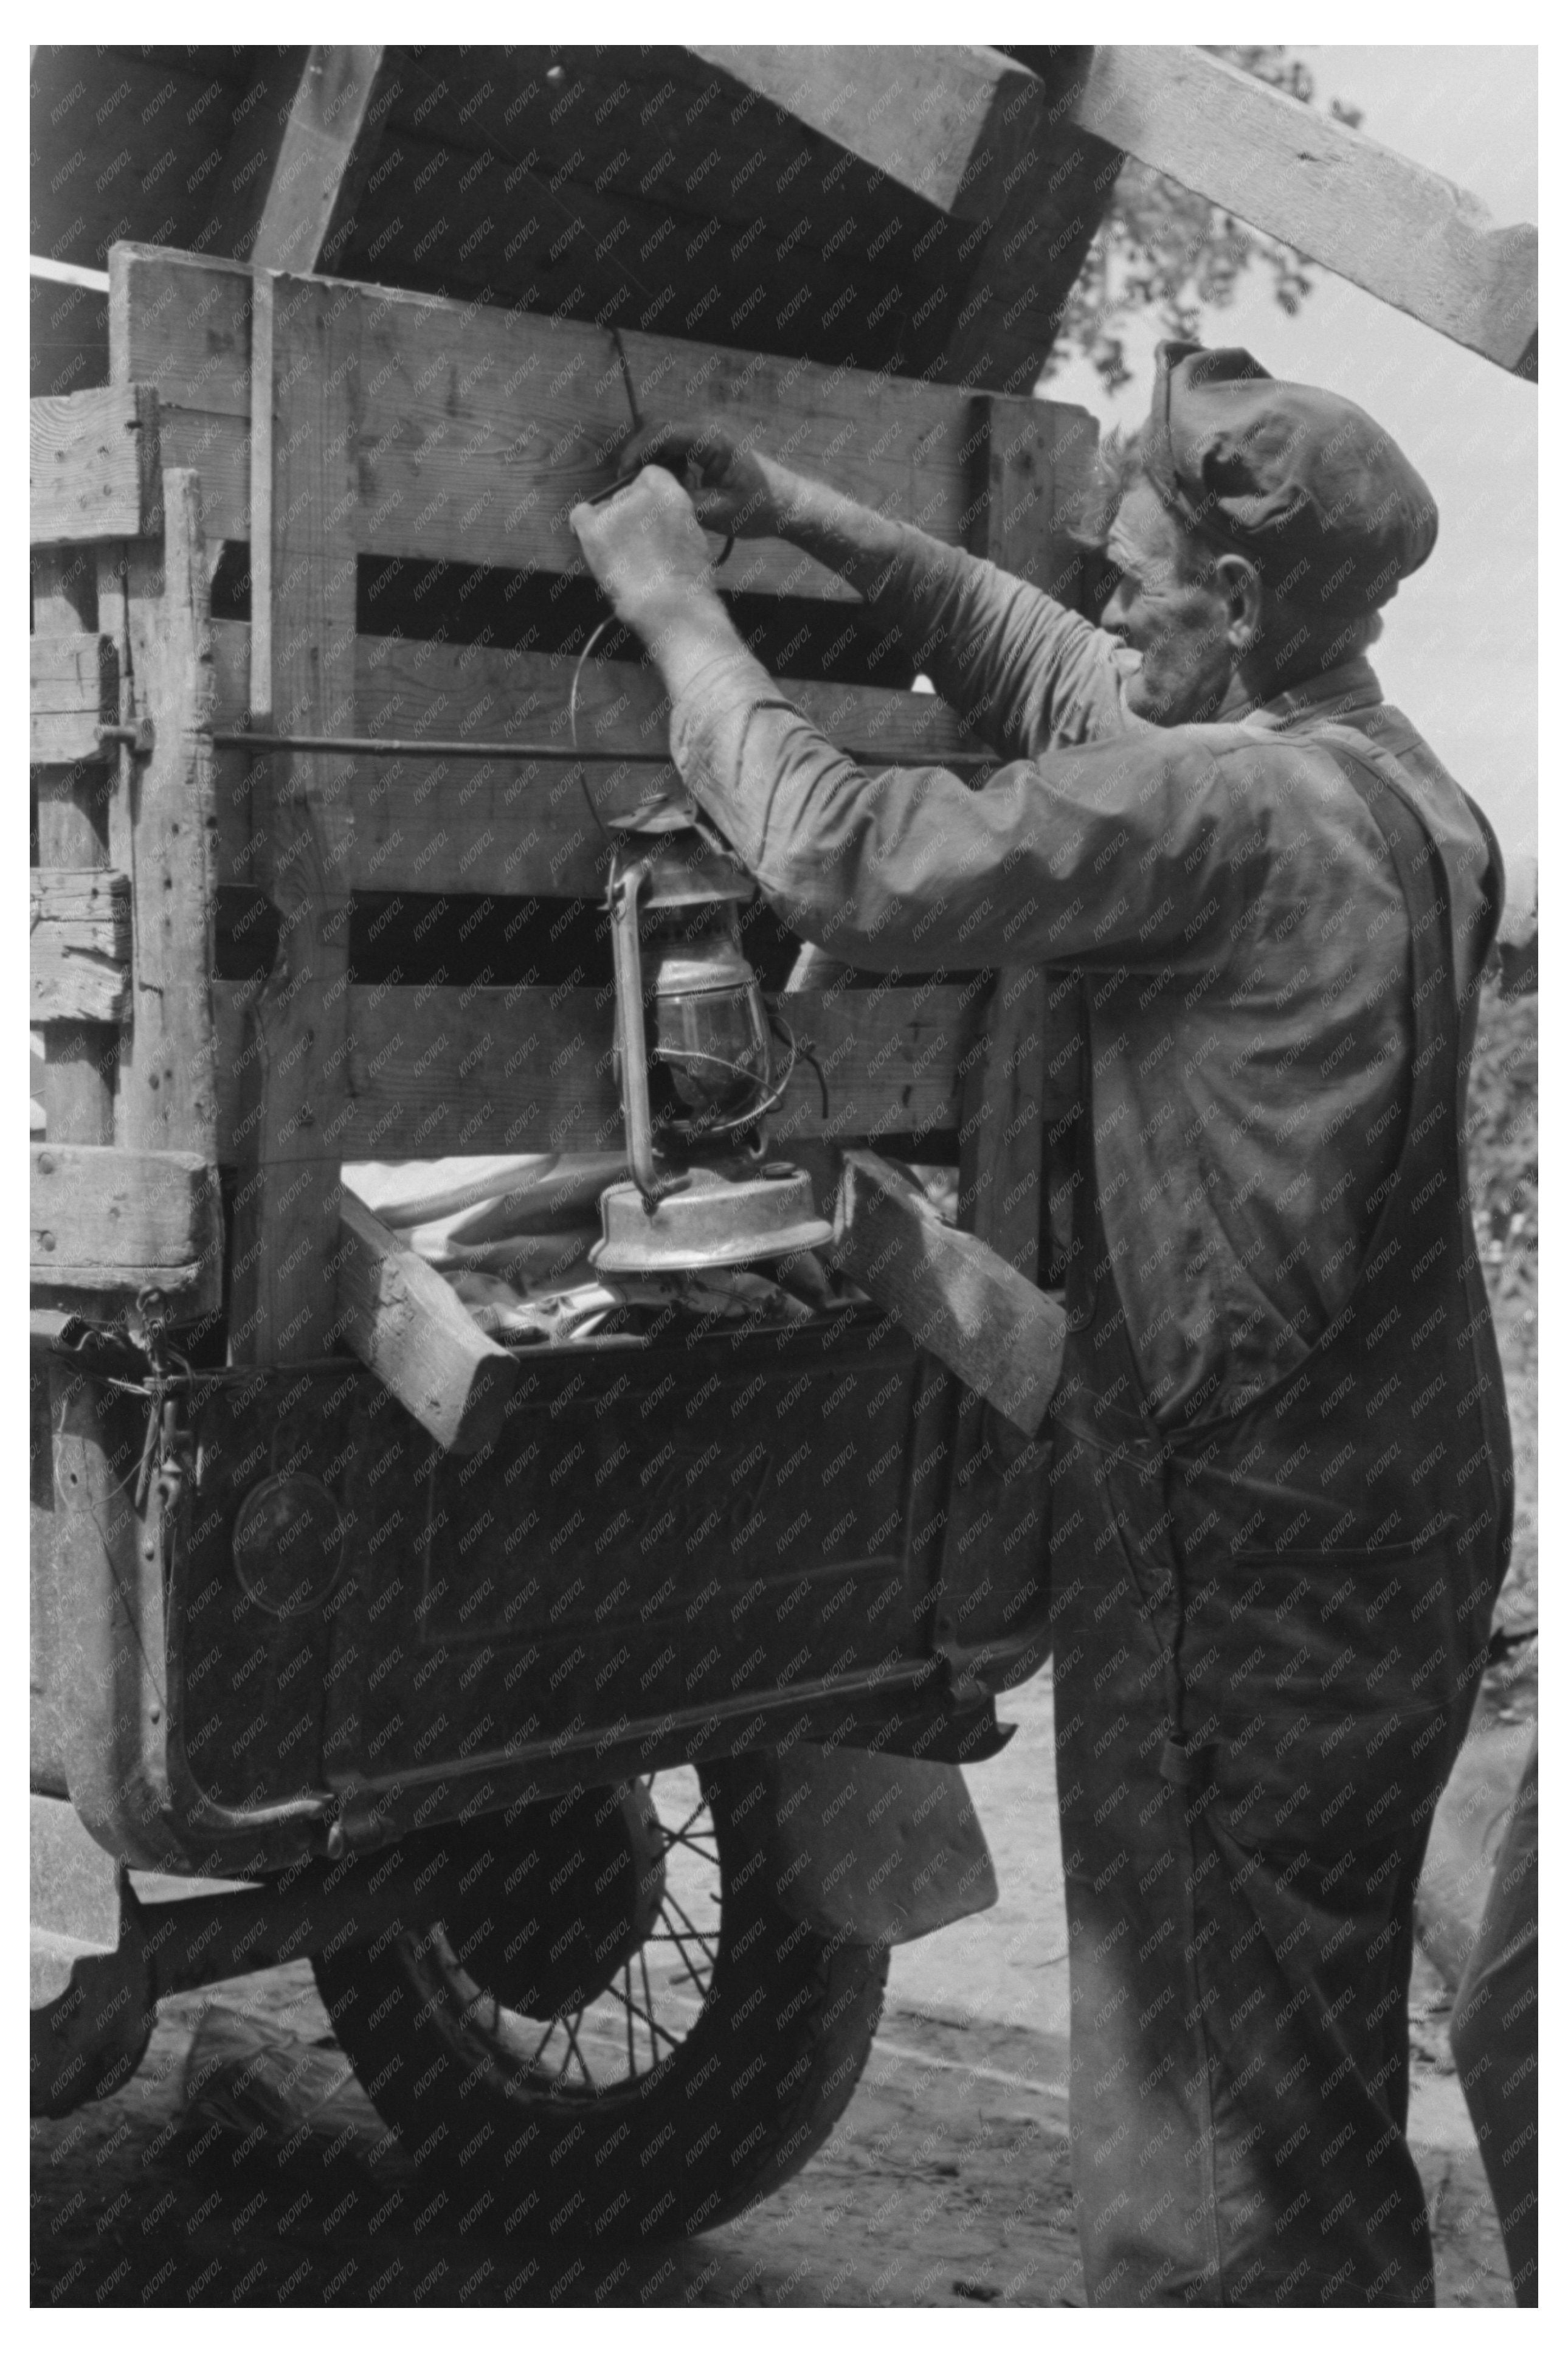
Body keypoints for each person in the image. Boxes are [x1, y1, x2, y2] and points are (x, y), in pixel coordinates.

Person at [570, 342, 1513, 2306]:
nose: (1102, 598)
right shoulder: (1397, 783)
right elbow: (1056, 665)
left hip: (1240, 1541)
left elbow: (842, 855)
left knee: (1198, 2111)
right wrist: (801, 511)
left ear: (1235, 602)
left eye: (1136, 571)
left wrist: (675, 609)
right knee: (1304, 2035)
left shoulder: (1218, 812)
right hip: (1400, 1512)